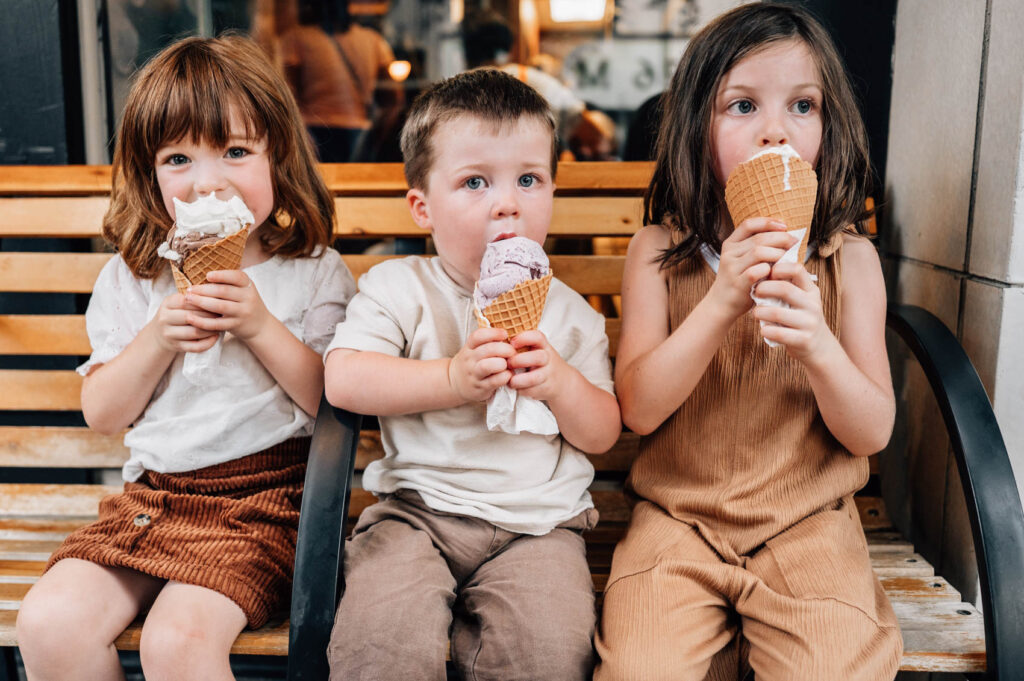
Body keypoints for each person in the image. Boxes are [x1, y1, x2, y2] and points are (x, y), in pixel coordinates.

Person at [16, 35, 355, 681]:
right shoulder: (133, 278)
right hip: (152, 502)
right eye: (178, 158)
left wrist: (258, 325)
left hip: (266, 506)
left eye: (234, 150)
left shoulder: (313, 273)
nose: (208, 180)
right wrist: (158, 337)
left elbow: (334, 404)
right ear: (151, 174)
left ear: (277, 156)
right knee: (48, 623)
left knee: (176, 641)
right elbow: (102, 410)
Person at [594, 4, 902, 680]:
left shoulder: (848, 263)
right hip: (679, 523)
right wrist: (721, 301)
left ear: (830, 124)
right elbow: (639, 408)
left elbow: (871, 429)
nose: (775, 133)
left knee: (833, 667)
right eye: (742, 107)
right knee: (640, 670)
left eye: (802, 106)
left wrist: (818, 345)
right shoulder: (657, 253)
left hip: (808, 522)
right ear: (695, 129)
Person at [322, 68, 621, 681]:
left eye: (529, 180)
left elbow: (602, 432)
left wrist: (561, 384)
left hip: (538, 528)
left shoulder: (570, 317)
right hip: (416, 515)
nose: (507, 201)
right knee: (382, 641)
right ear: (422, 208)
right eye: (475, 181)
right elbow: (345, 379)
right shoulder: (398, 288)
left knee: (549, 653)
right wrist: (452, 380)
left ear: (552, 195)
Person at [273, 0, 398, 162]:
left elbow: (286, 95)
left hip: (314, 132)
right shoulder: (373, 40)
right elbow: (393, 98)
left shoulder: (295, 39)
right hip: (359, 130)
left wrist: (298, 133)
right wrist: (378, 136)